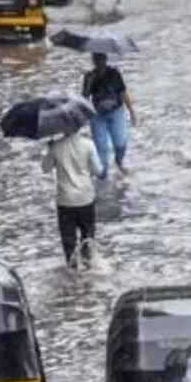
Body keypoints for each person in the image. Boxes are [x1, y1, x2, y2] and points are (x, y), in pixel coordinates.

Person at [41, 130, 101, 268]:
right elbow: (98, 170)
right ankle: (89, 266)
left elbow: (45, 168)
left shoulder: (56, 146)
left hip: (65, 201)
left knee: (69, 241)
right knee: (88, 236)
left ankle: (73, 272)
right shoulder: (88, 144)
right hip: (86, 197)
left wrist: (48, 149)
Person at [81, 53, 136, 182]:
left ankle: (119, 161)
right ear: (93, 61)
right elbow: (84, 99)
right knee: (102, 149)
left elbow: (123, 92)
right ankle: (102, 177)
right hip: (98, 116)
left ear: (106, 60)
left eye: (102, 60)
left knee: (120, 144)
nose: (100, 63)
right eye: (97, 60)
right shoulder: (89, 76)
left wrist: (131, 111)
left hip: (116, 112)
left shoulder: (114, 74)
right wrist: (89, 83)